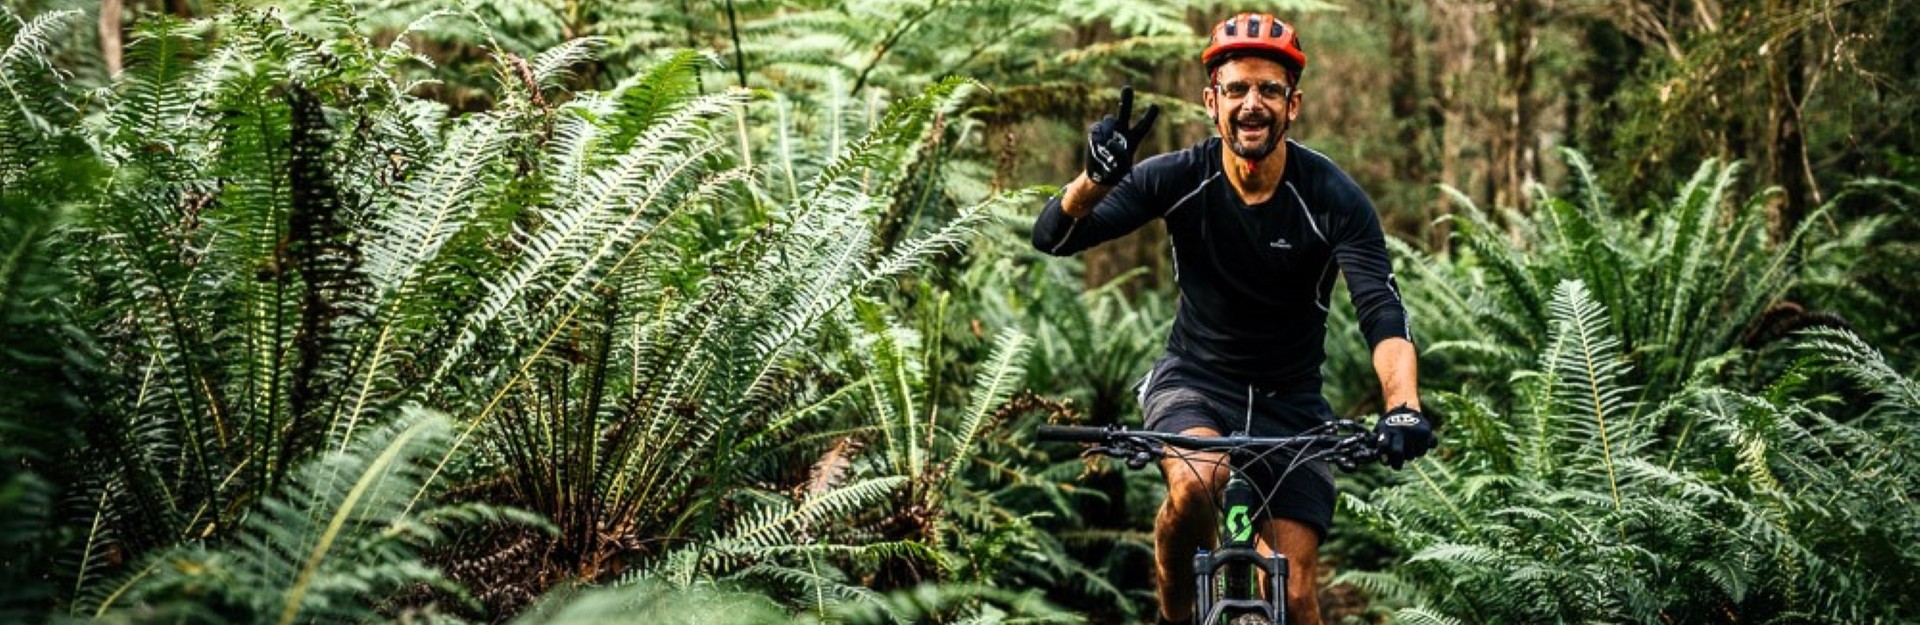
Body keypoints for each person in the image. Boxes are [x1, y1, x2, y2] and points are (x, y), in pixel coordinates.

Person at [1030, 12, 1436, 625]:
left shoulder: (1331, 196)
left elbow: (1382, 312)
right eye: (1238, 89)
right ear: (1210, 101)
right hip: (1195, 382)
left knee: (1298, 598)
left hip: (1292, 403)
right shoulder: (1179, 176)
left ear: (1293, 105)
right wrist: (1094, 179)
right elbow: (1053, 237)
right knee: (1196, 480)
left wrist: (1402, 406)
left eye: (1269, 90)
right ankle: (1176, 616)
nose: (1253, 104)